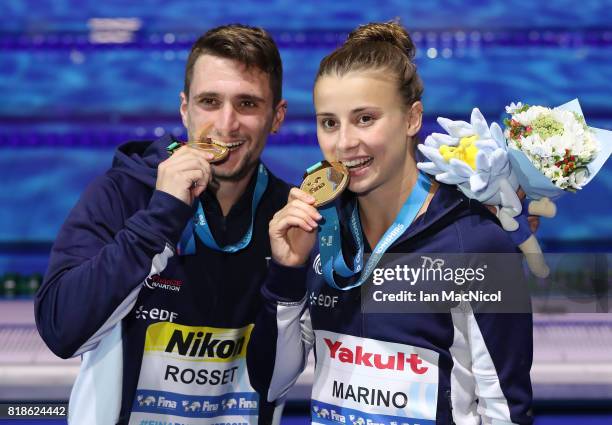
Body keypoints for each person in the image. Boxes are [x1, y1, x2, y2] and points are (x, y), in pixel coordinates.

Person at [247, 22, 533, 424]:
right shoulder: (319, 234)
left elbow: (506, 410)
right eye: (329, 122)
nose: (344, 142)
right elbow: (271, 383)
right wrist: (285, 275)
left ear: (412, 118)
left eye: (365, 118)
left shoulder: (479, 245)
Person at [35, 24, 290, 425]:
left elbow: (282, 377)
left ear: (276, 117)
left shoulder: (288, 219)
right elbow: (61, 331)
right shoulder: (122, 195)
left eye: (247, 104)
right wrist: (159, 219)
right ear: (185, 108)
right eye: (210, 101)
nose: (226, 124)